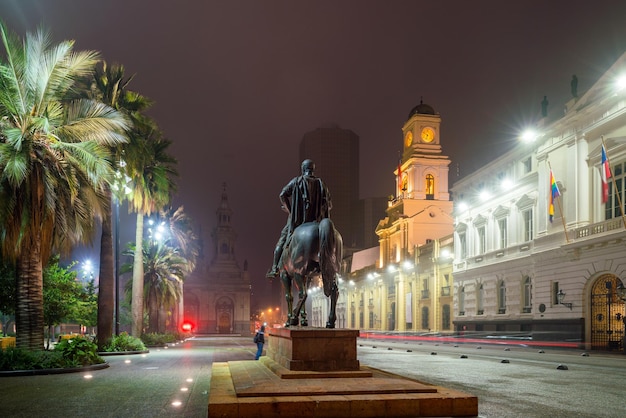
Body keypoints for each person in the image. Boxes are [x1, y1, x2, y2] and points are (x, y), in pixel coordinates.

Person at [266, 159, 332, 278]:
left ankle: (275, 268)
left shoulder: (296, 181)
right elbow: (329, 204)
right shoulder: (321, 183)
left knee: (282, 239)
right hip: (317, 221)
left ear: (303, 169)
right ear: (313, 169)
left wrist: (290, 211)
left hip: (297, 221)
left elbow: (282, 195)